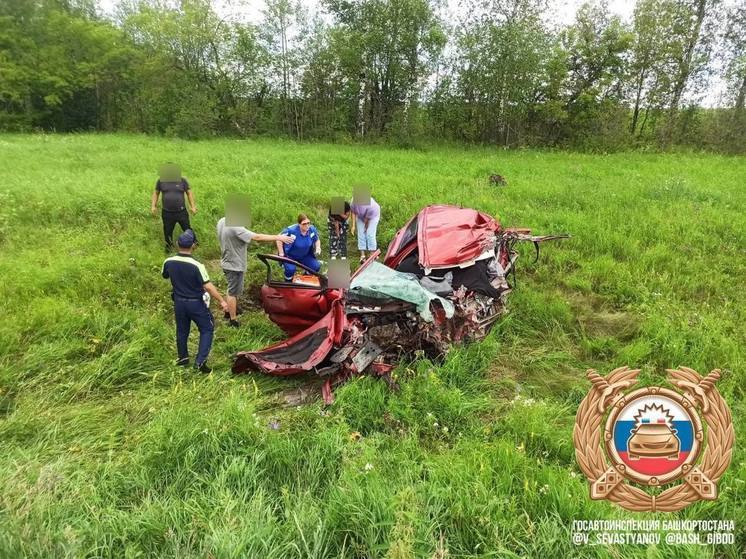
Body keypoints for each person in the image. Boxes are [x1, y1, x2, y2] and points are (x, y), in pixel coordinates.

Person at [161, 229, 228, 373]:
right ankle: (200, 363)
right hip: (196, 303)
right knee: (207, 329)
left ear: (177, 244)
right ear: (193, 246)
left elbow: (165, 275)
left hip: (179, 302)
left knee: (182, 330)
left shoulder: (169, 261)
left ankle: (183, 358)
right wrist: (222, 301)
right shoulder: (197, 265)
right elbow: (208, 286)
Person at [217, 216, 293, 328]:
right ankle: (232, 319)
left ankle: (232, 309)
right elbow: (257, 237)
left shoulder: (222, 220)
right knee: (232, 292)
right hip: (234, 265)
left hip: (227, 260)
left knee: (234, 289)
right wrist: (278, 237)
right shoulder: (236, 227)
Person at [151, 169, 197, 252]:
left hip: (181, 212)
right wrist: (153, 206)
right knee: (167, 231)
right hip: (167, 212)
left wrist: (193, 206)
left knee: (187, 229)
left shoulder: (182, 180)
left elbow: (189, 193)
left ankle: (194, 243)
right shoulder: (161, 181)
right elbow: (156, 193)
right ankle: (168, 248)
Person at [276, 214, 321, 281]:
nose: (307, 225)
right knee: (290, 270)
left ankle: (305, 279)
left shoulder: (312, 229)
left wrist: (318, 247)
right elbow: (278, 238)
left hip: (304, 255)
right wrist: (281, 253)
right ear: (299, 224)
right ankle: (288, 282)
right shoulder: (291, 231)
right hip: (290, 256)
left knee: (316, 266)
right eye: (304, 224)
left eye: (308, 223)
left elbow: (316, 239)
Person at [350, 196, 381, 263]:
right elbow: (353, 212)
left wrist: (366, 228)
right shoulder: (353, 200)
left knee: (370, 234)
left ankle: (372, 254)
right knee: (361, 234)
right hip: (361, 216)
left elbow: (367, 220)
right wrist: (353, 226)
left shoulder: (371, 206)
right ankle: (362, 255)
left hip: (373, 217)